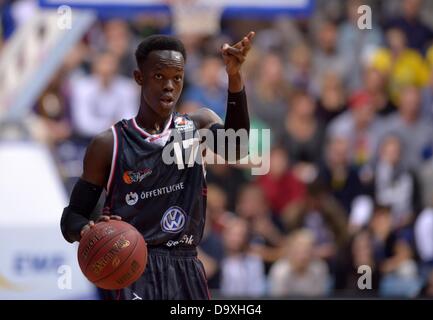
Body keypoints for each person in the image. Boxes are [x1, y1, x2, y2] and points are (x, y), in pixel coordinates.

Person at [60, 31, 255, 300]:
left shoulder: (197, 125)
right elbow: (71, 217)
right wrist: (88, 230)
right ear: (139, 78)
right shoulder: (109, 143)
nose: (169, 86)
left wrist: (234, 77)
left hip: (187, 267)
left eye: (177, 78)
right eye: (159, 76)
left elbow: (237, 148)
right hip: (133, 268)